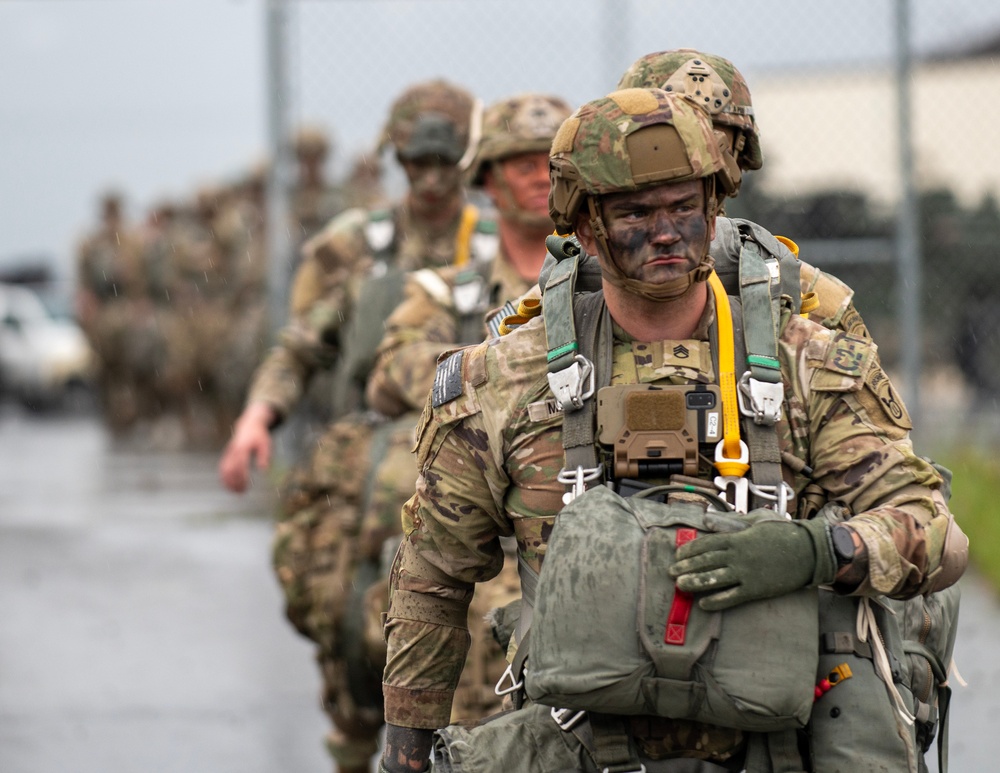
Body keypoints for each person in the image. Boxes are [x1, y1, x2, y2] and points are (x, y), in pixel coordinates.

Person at [378, 89, 967, 773]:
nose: (665, 231)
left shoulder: (809, 367)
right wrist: (405, 752)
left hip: (775, 746)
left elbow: (934, 531)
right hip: (578, 744)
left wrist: (819, 549)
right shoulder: (505, 380)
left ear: (713, 207)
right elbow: (433, 578)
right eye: (634, 212)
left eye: (683, 207)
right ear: (587, 227)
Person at [217, 78, 492, 773]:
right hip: (368, 474)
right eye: (415, 164)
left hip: (471, 468)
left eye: (445, 163)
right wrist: (259, 415)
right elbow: (305, 342)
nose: (431, 181)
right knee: (346, 626)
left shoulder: (499, 245)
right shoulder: (356, 247)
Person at [363, 92, 573, 722]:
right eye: (520, 162)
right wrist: (509, 369)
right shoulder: (452, 294)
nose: (540, 175)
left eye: (551, 160)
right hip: (487, 539)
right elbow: (394, 369)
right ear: (486, 179)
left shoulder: (616, 287)